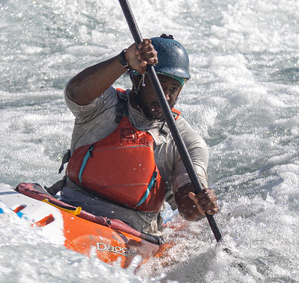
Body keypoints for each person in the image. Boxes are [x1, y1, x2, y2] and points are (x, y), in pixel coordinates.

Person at [59, 35, 220, 238]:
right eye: (158, 86)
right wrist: (124, 60)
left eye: (173, 89)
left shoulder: (185, 142)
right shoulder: (104, 105)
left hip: (133, 234)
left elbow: (188, 208)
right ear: (137, 79)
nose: (166, 97)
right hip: (72, 208)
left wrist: (200, 205)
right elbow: (74, 93)